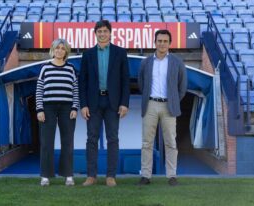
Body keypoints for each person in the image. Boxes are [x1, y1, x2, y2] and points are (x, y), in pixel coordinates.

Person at [79, 20, 130, 187]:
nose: (102, 34)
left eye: (105, 31)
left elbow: (125, 81)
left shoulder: (120, 53)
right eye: (99, 31)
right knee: (91, 139)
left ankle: (110, 176)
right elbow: (83, 81)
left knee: (113, 139)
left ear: (110, 33)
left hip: (113, 102)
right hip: (93, 102)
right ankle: (91, 176)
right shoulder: (87, 54)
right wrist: (83, 104)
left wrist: (124, 103)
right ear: (95, 34)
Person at [138, 30, 187, 186]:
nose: (162, 44)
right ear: (155, 42)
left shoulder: (176, 62)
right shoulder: (146, 62)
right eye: (159, 41)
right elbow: (141, 82)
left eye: (165, 41)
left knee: (171, 142)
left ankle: (171, 176)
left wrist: (173, 100)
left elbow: (183, 85)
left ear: (169, 43)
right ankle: (146, 176)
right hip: (150, 104)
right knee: (147, 143)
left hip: (169, 105)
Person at [36, 39, 79, 186]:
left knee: (67, 142)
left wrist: (74, 107)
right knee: (47, 143)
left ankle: (68, 175)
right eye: (57, 48)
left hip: (67, 109)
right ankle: (45, 176)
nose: (59, 50)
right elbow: (39, 90)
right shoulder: (45, 68)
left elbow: (75, 90)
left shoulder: (71, 68)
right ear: (53, 50)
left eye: (62, 48)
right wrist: (39, 109)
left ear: (66, 51)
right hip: (48, 108)